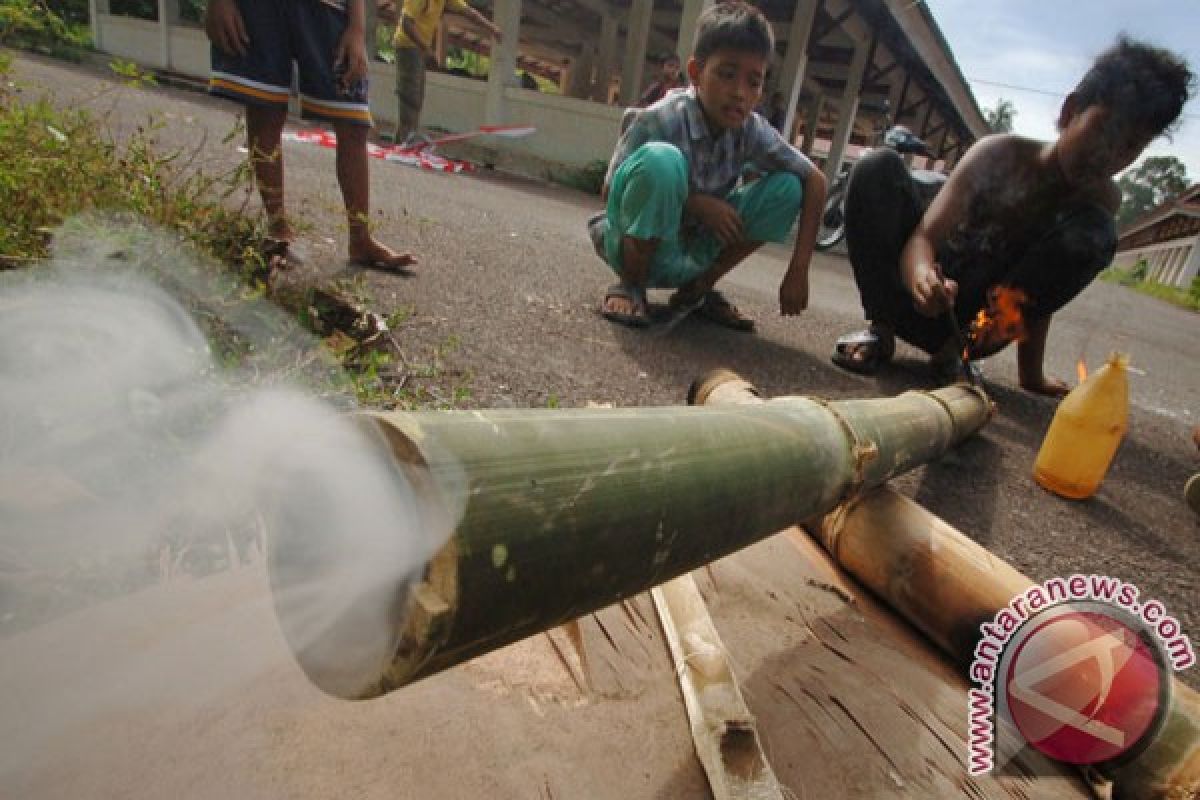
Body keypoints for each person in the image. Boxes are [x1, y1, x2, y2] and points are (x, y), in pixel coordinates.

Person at [832, 36, 1193, 395]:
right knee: (875, 167)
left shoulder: (1098, 206)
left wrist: (1031, 376)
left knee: (1094, 235)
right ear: (1071, 112)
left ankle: (957, 354)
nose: (1109, 154)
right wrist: (924, 277)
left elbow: (1044, 287)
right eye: (1103, 130)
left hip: (972, 326)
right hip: (915, 292)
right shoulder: (998, 154)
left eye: (1130, 146)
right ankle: (880, 330)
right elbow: (924, 238)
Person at [590, 1, 827, 331]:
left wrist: (799, 268)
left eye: (753, 82)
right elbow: (610, 187)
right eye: (727, 75)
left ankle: (696, 291)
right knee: (662, 160)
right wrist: (695, 203)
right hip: (633, 245)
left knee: (788, 187)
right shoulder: (662, 117)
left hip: (692, 252)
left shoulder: (750, 129)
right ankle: (630, 285)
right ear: (696, 73)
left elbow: (815, 179)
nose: (739, 93)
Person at [205, 0, 415, 271]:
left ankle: (361, 238)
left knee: (353, 121)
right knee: (265, 111)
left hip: (331, 10)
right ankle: (277, 229)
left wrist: (357, 28)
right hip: (260, 10)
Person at [391, 0, 502, 144]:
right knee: (410, 95)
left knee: (417, 96)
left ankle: (403, 139)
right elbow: (406, 24)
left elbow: (469, 12)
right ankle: (405, 140)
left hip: (418, 49)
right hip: (406, 46)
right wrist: (426, 48)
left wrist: (491, 28)